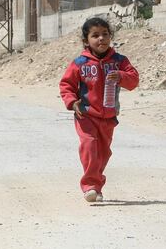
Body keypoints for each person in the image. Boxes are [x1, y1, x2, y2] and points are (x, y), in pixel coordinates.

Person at [59, 17, 139, 203]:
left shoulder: (119, 61)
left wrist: (121, 76)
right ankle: (90, 186)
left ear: (110, 37)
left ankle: (97, 185)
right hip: (85, 114)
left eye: (105, 34)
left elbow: (133, 80)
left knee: (103, 153)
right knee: (89, 146)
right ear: (86, 41)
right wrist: (72, 102)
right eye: (95, 35)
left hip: (108, 117)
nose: (101, 39)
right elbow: (66, 84)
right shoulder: (80, 63)